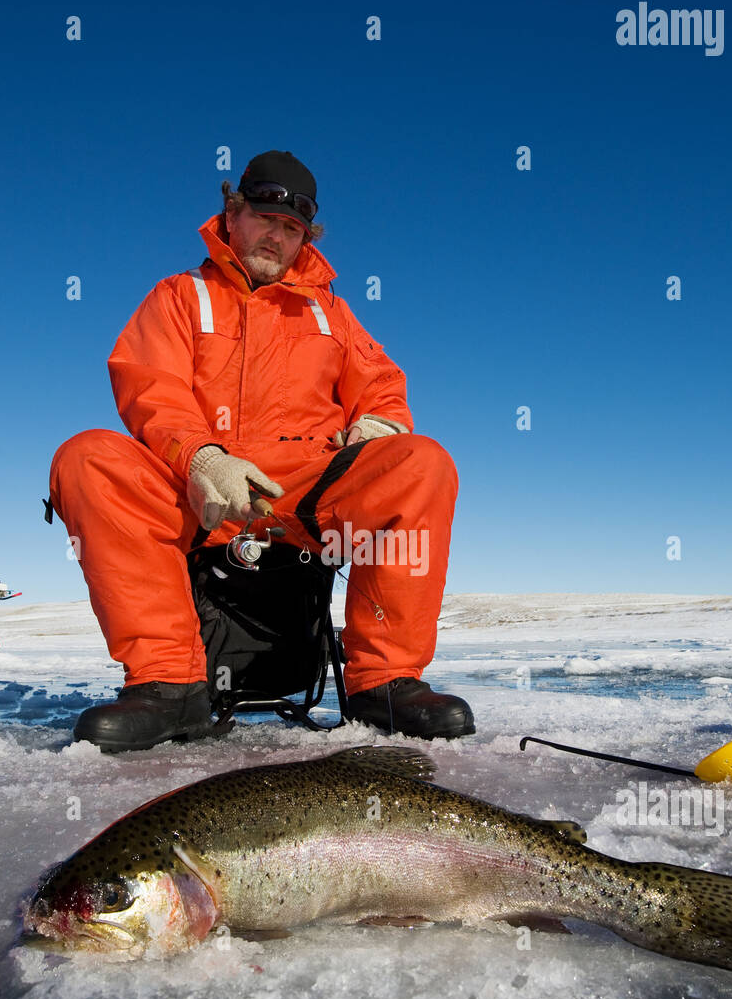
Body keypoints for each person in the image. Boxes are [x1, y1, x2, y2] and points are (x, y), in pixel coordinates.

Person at [48, 150, 474, 750]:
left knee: (421, 463)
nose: (277, 237)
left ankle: (385, 683)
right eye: (266, 219)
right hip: (198, 492)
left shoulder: (330, 312)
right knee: (88, 458)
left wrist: (380, 424)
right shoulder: (179, 295)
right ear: (234, 210)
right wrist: (201, 457)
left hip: (304, 497)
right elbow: (151, 385)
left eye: (292, 229)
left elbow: (381, 383)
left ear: (306, 236)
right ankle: (168, 686)